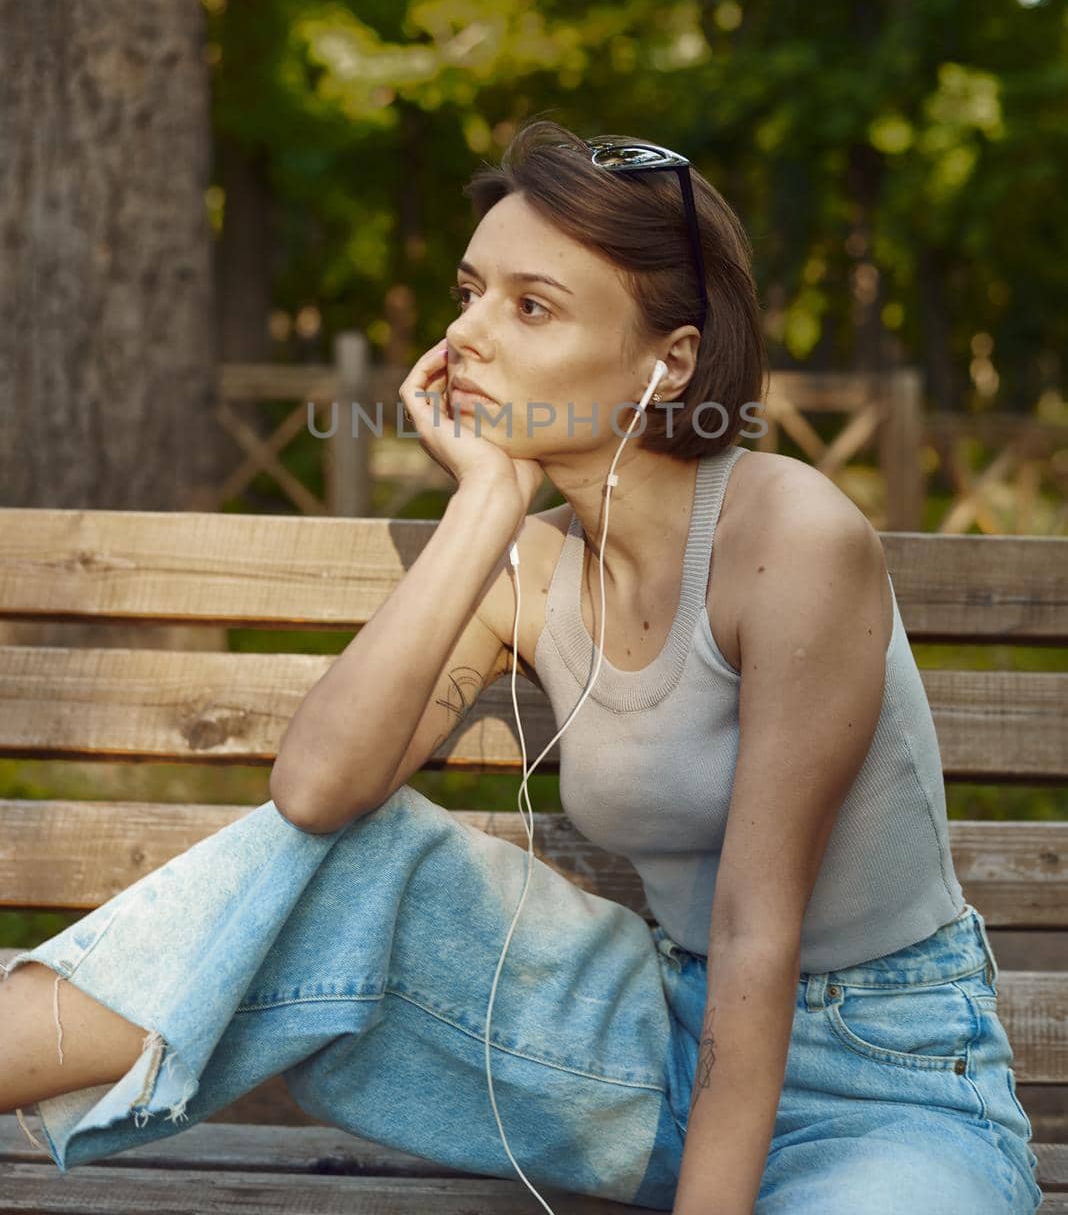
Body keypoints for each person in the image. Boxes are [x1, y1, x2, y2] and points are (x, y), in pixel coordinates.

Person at [0, 120, 1043, 1214]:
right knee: (367, 857)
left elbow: (754, 931)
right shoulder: (531, 560)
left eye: (529, 305)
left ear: (669, 360)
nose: (465, 337)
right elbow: (315, 793)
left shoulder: (792, 539)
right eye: (468, 292)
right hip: (655, 1048)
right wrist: (483, 503)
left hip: (892, 1083)